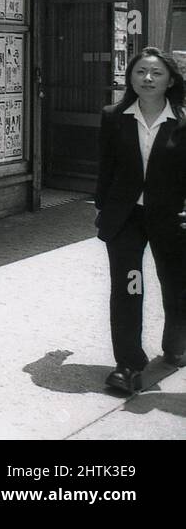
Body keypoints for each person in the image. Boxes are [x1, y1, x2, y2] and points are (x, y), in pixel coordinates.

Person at [95, 47, 186, 393]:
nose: (147, 79)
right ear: (130, 77)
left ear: (170, 80)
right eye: (140, 72)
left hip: (171, 219)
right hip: (127, 220)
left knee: (176, 288)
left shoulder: (183, 120)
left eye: (156, 73)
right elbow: (106, 168)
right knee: (129, 288)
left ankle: (176, 346)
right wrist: (103, 209)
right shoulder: (114, 116)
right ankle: (129, 364)